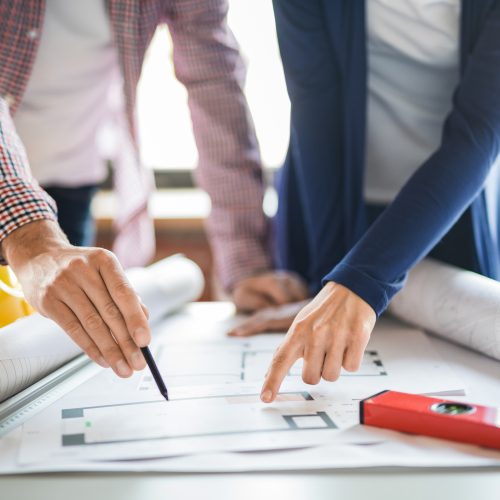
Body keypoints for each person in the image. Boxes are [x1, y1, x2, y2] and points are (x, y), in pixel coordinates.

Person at [0, 0, 306, 379]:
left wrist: (247, 266)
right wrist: (34, 241)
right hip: (19, 204)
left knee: (43, 369)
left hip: (71, 182)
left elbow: (214, 85)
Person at [227, 0, 500, 403]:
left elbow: (478, 135)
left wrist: (362, 280)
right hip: (332, 211)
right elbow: (315, 110)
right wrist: (331, 281)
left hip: (447, 207)